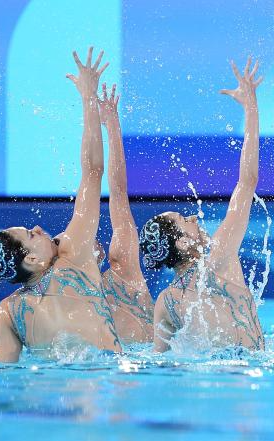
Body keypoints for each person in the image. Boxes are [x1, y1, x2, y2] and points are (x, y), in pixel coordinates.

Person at [0, 48, 121, 362]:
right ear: (32, 259)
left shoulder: (8, 311)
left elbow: (5, 373)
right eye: (31, 234)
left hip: (49, 389)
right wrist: (88, 98)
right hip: (109, 380)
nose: (38, 227)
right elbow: (93, 171)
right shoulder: (73, 257)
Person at [141, 58, 264, 353]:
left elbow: (159, 361)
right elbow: (247, 182)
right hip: (250, 373)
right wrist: (251, 109)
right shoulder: (219, 258)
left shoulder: (166, 301)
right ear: (183, 242)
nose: (195, 217)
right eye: (185, 220)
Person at [96, 82, 154, 344]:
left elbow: (118, 192)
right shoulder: (122, 273)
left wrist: (112, 126)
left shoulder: (123, 270)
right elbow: (117, 191)